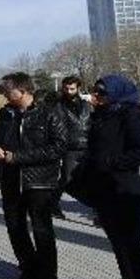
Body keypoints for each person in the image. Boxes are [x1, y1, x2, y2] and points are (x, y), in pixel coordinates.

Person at [82, 74, 140, 279]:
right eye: (96, 92)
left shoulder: (131, 114)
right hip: (105, 189)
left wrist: (115, 162)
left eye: (102, 93)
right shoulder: (104, 115)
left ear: (116, 93)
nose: (96, 97)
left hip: (125, 189)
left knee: (132, 245)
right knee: (118, 243)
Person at [0, 72, 67, 279]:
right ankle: (29, 271)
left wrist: (18, 157)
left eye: (7, 91)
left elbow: (58, 147)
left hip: (39, 181)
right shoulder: (6, 113)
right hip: (10, 180)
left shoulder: (48, 114)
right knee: (15, 227)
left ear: (23, 91)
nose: (4, 95)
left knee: (42, 230)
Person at [51, 76, 90, 219]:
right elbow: (56, 127)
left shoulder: (87, 105)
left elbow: (92, 123)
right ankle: (53, 204)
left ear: (78, 88)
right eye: (66, 88)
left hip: (87, 147)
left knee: (94, 179)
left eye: (72, 88)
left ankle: (100, 212)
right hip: (69, 148)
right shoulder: (58, 105)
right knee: (67, 179)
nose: (69, 91)